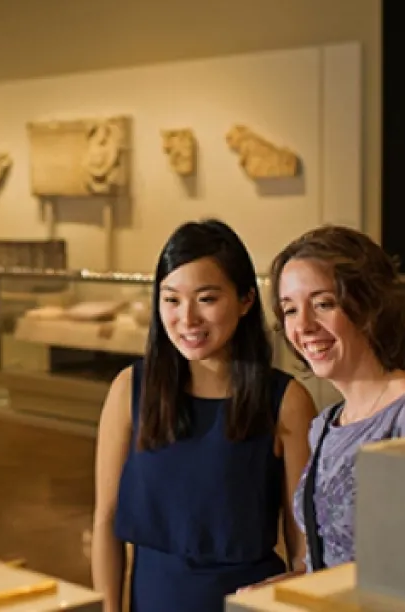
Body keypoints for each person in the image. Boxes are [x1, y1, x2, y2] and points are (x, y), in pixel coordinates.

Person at [91, 219, 316, 612]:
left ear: (246, 300)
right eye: (171, 299)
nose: (187, 318)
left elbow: (303, 548)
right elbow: (106, 521)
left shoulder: (286, 401)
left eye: (207, 298)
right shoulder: (130, 389)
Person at [269, 225, 405, 575]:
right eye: (290, 310)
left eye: (323, 304)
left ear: (368, 308)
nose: (303, 325)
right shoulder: (325, 426)